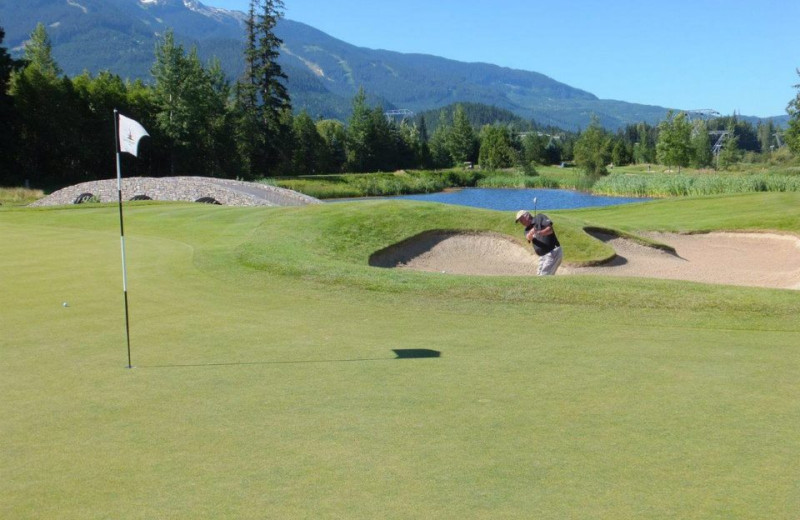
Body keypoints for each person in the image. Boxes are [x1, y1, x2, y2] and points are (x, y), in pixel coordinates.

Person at [515, 210, 563, 275]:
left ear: (526, 216)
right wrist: (531, 233)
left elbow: (550, 230)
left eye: (521, 220)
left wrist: (539, 232)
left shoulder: (539, 218)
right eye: (519, 221)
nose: (521, 222)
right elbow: (528, 237)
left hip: (553, 252)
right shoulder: (526, 230)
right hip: (542, 257)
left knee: (544, 277)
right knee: (539, 277)